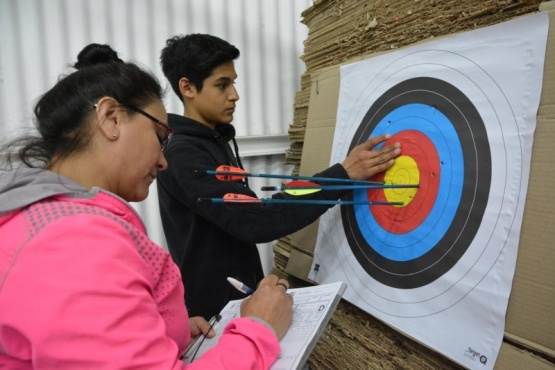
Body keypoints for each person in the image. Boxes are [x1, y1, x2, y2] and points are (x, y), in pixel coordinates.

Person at [0, 43, 293, 369]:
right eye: (159, 135)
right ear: (111, 118)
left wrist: (169, 329)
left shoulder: (51, 219)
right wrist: (258, 330)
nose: (164, 160)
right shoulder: (72, 242)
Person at [157, 33, 402, 320]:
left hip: (236, 300)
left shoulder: (213, 140)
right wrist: (343, 175)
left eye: (233, 82)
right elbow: (256, 220)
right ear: (187, 87)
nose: (234, 94)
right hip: (213, 316)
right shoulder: (185, 155)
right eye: (222, 85)